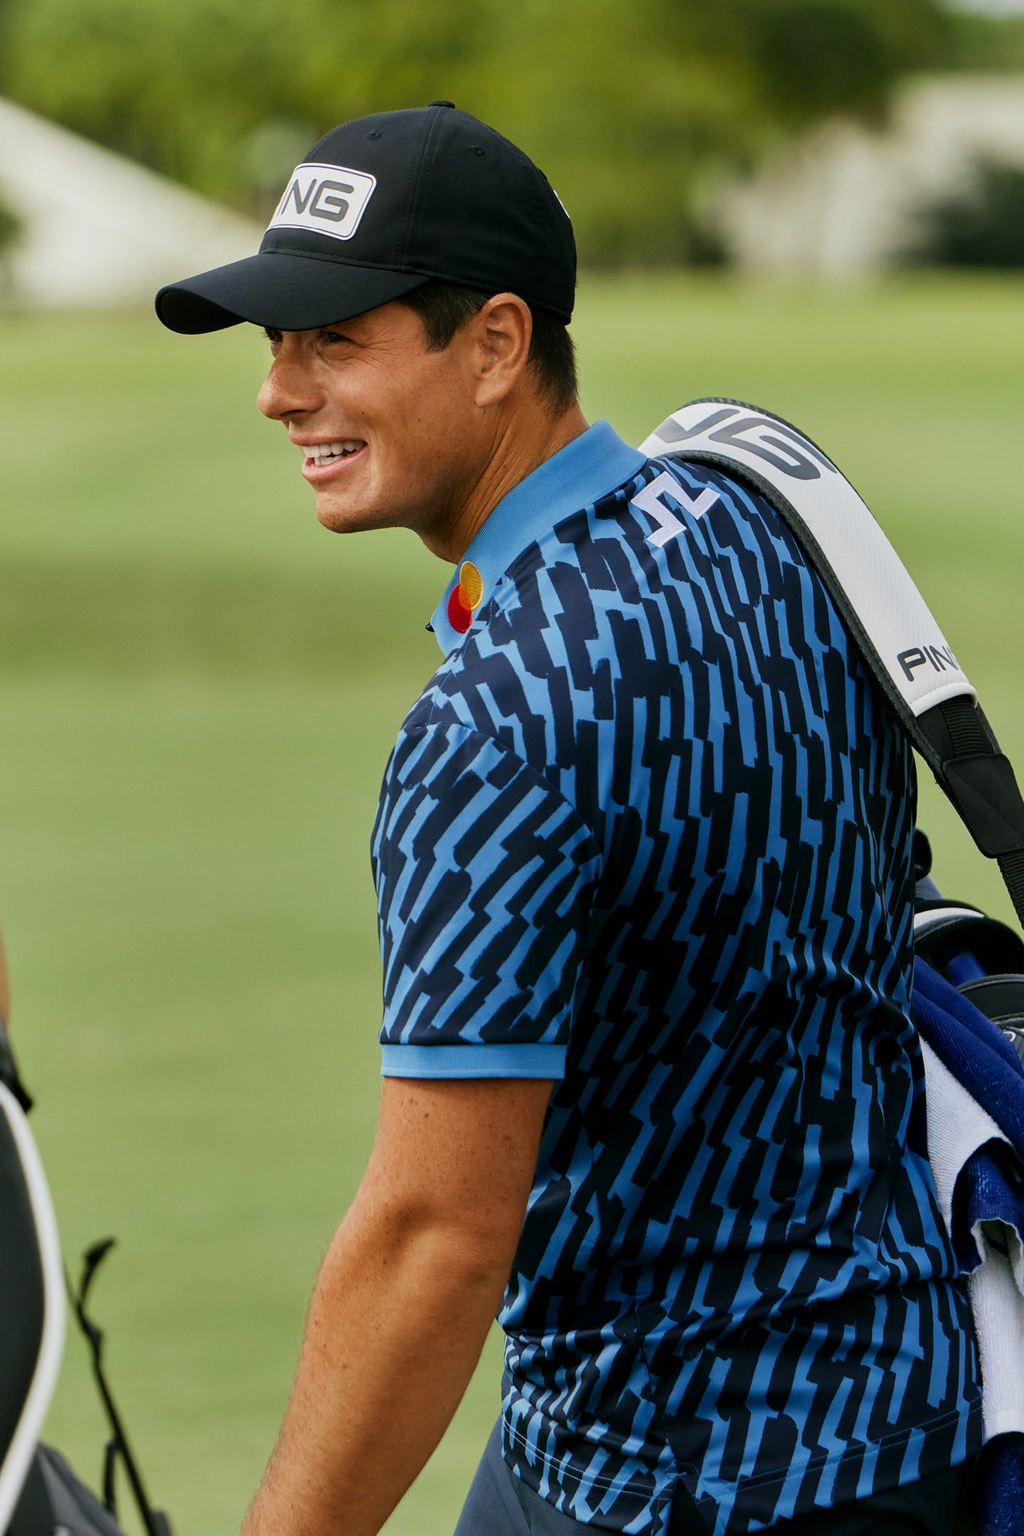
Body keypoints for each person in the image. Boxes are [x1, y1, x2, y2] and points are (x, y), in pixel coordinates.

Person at [155, 103, 980, 1536]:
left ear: (495, 345)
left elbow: (435, 1241)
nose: (280, 392)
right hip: (911, 1421)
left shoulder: (493, 722)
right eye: (276, 343)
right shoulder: (754, 525)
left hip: (659, 1473)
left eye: (334, 340)